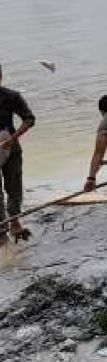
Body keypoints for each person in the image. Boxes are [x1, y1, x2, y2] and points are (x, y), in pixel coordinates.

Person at [0, 63, 36, 244]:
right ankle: (1, 228)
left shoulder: (11, 96)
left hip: (10, 146)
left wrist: (13, 138)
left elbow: (29, 119)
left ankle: (14, 221)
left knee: (14, 187)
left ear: (0, 75)